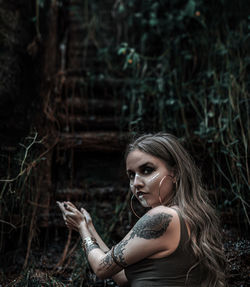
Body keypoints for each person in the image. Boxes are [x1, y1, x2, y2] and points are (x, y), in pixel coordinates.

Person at [57, 133, 226, 287]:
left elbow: (102, 268)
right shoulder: (188, 216)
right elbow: (122, 276)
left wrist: (82, 228)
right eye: (131, 175)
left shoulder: (162, 217)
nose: (136, 183)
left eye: (147, 170)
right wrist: (90, 227)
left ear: (175, 173)